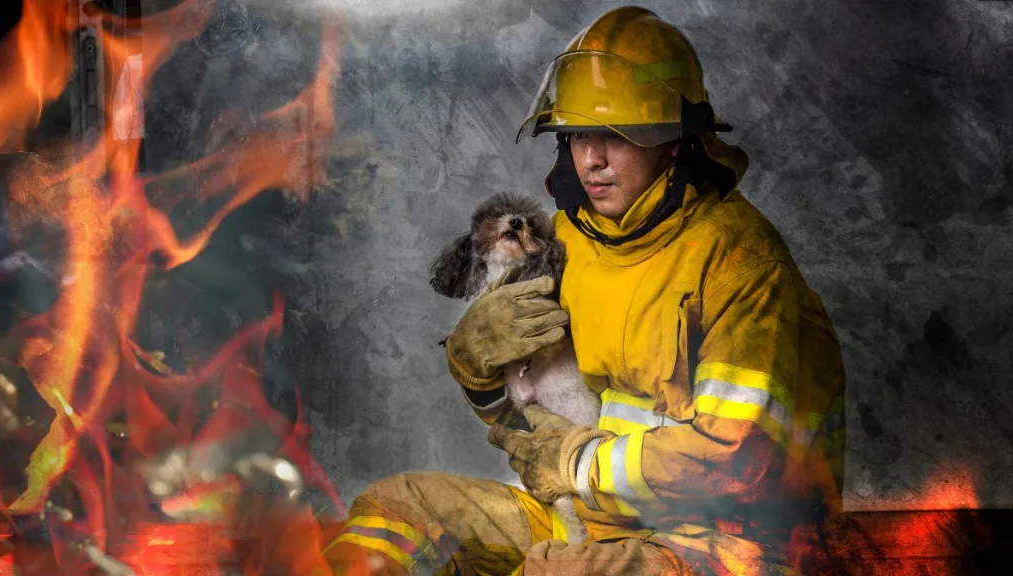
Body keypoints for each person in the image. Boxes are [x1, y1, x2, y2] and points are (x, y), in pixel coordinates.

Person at [321, 6, 846, 575]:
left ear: (675, 141)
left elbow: (738, 465)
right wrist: (475, 370)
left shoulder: (739, 259)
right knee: (397, 512)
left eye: (617, 136)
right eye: (577, 135)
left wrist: (576, 463)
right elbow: (534, 422)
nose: (591, 159)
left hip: (733, 543)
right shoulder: (571, 239)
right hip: (602, 517)